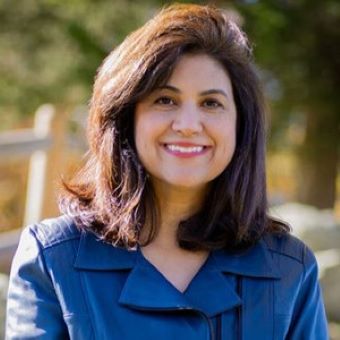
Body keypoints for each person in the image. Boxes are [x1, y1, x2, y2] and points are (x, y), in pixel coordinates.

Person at [6, 4, 328, 340]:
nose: (188, 125)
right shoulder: (52, 260)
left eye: (211, 103)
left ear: (240, 126)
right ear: (125, 117)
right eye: (165, 100)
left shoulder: (290, 270)